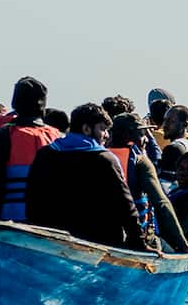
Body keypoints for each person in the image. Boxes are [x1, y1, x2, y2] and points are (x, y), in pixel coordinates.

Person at [25, 104, 150, 250]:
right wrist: (138, 242)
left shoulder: (45, 155)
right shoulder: (104, 159)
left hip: (53, 244)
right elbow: (124, 205)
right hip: (100, 244)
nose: (106, 135)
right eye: (102, 129)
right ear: (86, 129)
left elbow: (32, 200)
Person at [107, 113, 188, 256]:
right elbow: (161, 203)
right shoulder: (140, 162)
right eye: (142, 134)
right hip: (133, 239)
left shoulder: (100, 155)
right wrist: (182, 243)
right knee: (165, 247)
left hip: (101, 234)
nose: (146, 139)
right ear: (130, 136)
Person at [0, 77, 61, 220]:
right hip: (50, 218)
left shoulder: (4, 134)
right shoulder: (57, 136)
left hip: (11, 216)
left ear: (16, 102)